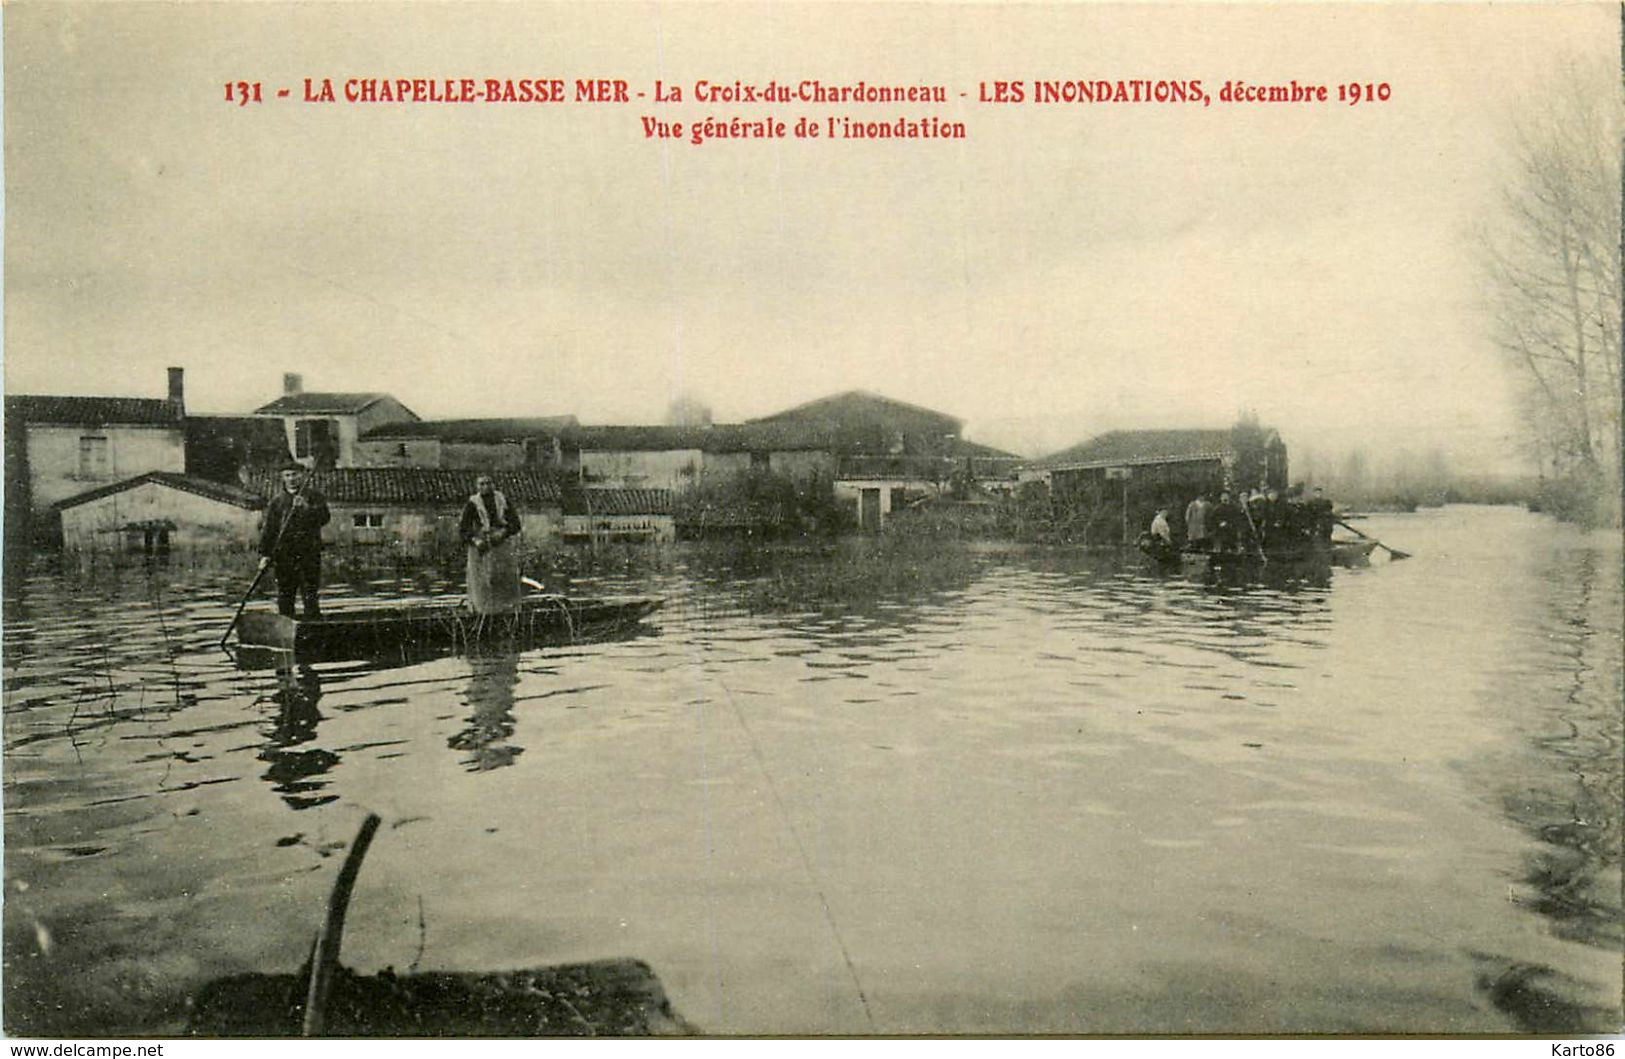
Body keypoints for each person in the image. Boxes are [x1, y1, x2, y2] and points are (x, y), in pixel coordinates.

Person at [258, 463, 331, 618]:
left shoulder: (314, 497)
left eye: (294, 474)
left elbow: (324, 518)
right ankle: (286, 631)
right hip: (284, 556)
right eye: (287, 475)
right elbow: (269, 530)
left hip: (308, 554)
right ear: (282, 478)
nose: (291, 479)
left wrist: (306, 507)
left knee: (310, 595)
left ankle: (313, 630)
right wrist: (265, 555)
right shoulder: (277, 502)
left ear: (302, 475)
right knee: (285, 595)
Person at [460, 474, 523, 615]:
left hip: (501, 544)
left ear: (493, 484)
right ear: (477, 487)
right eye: (482, 484)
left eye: (488, 483)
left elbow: (516, 524)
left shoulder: (503, 501)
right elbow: (463, 529)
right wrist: (475, 540)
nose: (486, 487)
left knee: (504, 577)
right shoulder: (472, 504)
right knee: (482, 581)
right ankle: (483, 611)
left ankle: (508, 610)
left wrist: (504, 532)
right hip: (481, 547)